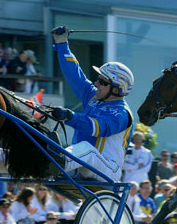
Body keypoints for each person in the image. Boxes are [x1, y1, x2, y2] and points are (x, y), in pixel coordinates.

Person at [48, 25, 134, 182]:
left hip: (108, 170)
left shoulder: (122, 114)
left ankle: (59, 162)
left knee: (88, 150)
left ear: (116, 88)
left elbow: (97, 128)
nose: (96, 83)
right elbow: (75, 74)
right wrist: (62, 44)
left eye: (102, 81)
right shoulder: (93, 96)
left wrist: (70, 117)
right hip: (82, 165)